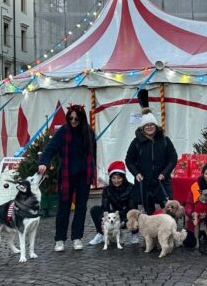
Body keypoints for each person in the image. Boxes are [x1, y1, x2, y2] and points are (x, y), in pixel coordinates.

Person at [38, 104, 96, 252]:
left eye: (76, 118)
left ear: (82, 118)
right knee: (63, 208)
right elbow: (50, 148)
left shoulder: (89, 132)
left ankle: (77, 238)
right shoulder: (63, 132)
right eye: (71, 118)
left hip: (84, 175)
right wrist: (44, 162)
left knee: (81, 208)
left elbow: (93, 154)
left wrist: (92, 172)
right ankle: (60, 239)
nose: (73, 120)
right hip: (66, 175)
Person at [125, 108, 178, 214]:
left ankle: (169, 228)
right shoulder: (136, 143)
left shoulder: (165, 141)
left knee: (168, 210)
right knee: (149, 212)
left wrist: (165, 173)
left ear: (156, 126)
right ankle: (151, 229)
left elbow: (173, 158)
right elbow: (129, 160)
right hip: (145, 182)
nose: (149, 127)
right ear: (142, 128)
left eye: (151, 124)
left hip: (162, 180)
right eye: (146, 125)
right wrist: (136, 173)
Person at [88, 161, 140, 246]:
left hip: (126, 214)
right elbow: (105, 207)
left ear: (123, 178)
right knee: (95, 210)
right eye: (114, 178)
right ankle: (101, 233)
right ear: (110, 179)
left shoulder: (131, 188)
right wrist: (104, 219)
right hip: (114, 215)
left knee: (135, 214)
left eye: (119, 178)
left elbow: (132, 208)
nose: (116, 181)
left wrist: (122, 219)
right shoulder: (107, 190)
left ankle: (134, 233)